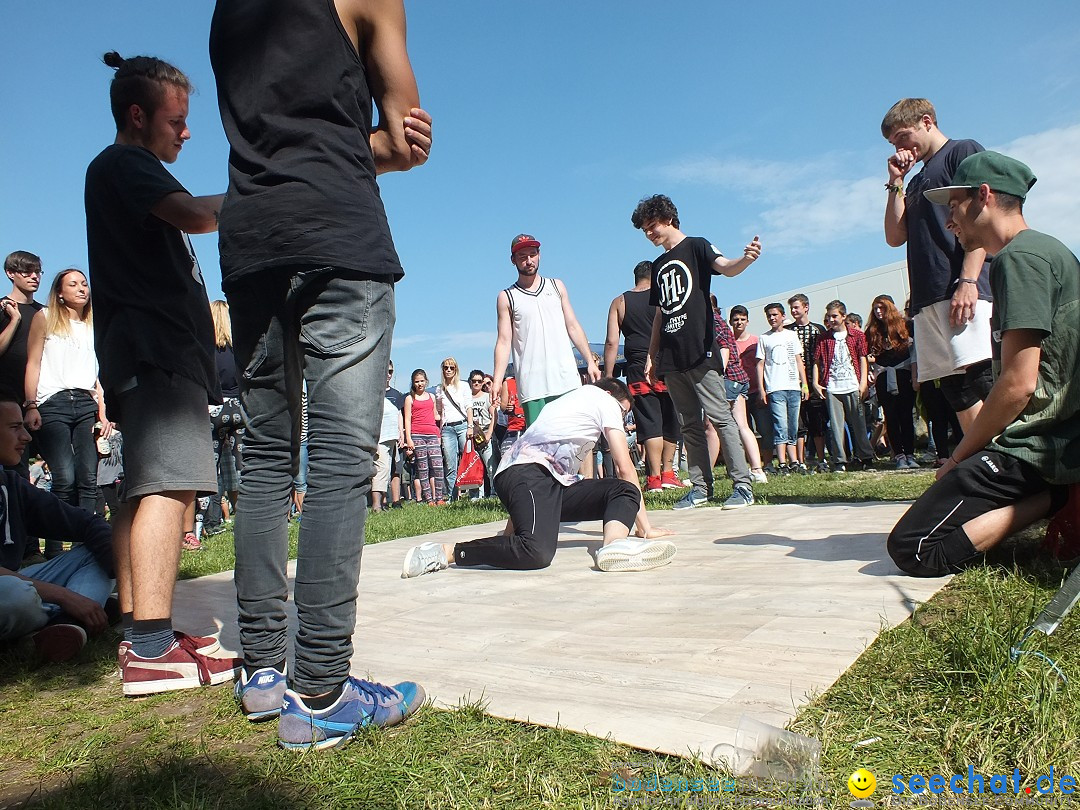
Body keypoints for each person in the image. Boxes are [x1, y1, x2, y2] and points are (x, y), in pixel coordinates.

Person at [211, 0, 432, 744]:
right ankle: (320, 693)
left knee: (268, 457)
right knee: (340, 457)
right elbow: (403, 141)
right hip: (336, 227)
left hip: (249, 239)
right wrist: (379, 142)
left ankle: (264, 672)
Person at [85, 52, 239, 696]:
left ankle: (141, 631)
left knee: (147, 487)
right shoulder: (126, 165)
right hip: (155, 354)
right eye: (176, 120)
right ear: (138, 115)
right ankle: (149, 649)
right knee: (168, 489)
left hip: (149, 356)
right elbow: (199, 215)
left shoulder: (128, 171)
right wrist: (267, 191)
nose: (187, 132)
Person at [889, 151, 1079, 576]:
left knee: (913, 548)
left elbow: (1018, 384)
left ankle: (1060, 497)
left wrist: (959, 457)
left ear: (985, 196)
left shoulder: (1019, 259)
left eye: (954, 207)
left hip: (1038, 447)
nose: (949, 220)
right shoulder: (1045, 249)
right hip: (1054, 439)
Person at [401, 379, 676, 577]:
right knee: (536, 552)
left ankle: (614, 546)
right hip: (527, 474)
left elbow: (535, 486)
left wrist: (511, 533)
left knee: (621, 490)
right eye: (623, 410)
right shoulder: (603, 400)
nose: (622, 416)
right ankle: (446, 552)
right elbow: (624, 466)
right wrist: (647, 528)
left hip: (540, 481)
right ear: (609, 394)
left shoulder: (566, 405)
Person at [631, 194, 759, 510]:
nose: (649, 234)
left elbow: (726, 267)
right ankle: (701, 488)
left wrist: (746, 259)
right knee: (689, 423)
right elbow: (661, 312)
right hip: (671, 357)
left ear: (669, 219)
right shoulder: (659, 265)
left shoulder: (697, 245)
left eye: (652, 226)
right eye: (644, 230)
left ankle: (742, 485)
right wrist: (652, 354)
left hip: (701, 350)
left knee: (720, 417)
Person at [882, 98, 992, 431]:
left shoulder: (963, 151)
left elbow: (984, 219)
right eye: (893, 143)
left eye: (902, 136)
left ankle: (1016, 463)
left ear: (927, 122)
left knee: (982, 376)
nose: (900, 147)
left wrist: (968, 281)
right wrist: (896, 181)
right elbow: (894, 235)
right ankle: (982, 461)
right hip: (928, 295)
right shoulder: (915, 181)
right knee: (954, 386)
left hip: (962, 286)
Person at [0, 398, 115, 662]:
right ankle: (85, 609)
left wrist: (124, 573)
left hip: (18, 582)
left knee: (100, 552)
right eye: (15, 427)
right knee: (16, 596)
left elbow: (87, 524)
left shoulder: (11, 484)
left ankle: (64, 626)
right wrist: (66, 596)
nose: (26, 436)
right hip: (11, 592)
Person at [23, 270, 109, 532]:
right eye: (73, 284)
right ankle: (55, 544)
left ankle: (86, 540)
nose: (82, 289)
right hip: (53, 401)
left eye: (84, 284)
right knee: (63, 477)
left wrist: (103, 413)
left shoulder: (95, 323)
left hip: (86, 402)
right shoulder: (46, 317)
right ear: (60, 293)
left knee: (88, 476)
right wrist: (30, 405)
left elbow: (98, 373)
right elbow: (33, 363)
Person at [491, 234, 600, 426]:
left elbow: (573, 325)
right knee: (542, 446)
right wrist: (497, 380)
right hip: (533, 384)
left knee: (576, 441)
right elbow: (504, 341)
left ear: (539, 255)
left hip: (566, 378)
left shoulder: (556, 286)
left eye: (532, 254)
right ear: (513, 260)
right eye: (522, 256)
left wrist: (590, 361)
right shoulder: (507, 297)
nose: (528, 260)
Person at [603, 260, 682, 493]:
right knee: (670, 421)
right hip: (667, 363)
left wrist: (609, 376)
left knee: (649, 421)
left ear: (635, 277)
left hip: (637, 366)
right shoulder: (664, 297)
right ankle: (668, 474)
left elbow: (611, 342)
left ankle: (654, 478)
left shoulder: (619, 302)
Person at [812, 301, 875, 471]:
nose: (832, 320)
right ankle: (840, 460)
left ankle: (866, 458)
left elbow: (863, 358)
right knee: (836, 426)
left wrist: (863, 382)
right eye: (829, 317)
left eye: (835, 316)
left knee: (859, 423)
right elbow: (817, 361)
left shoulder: (857, 335)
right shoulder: (824, 338)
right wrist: (815, 383)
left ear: (843, 316)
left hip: (852, 384)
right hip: (833, 386)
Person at [865, 295, 918, 469]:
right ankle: (899, 456)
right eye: (875, 309)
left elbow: (914, 354)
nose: (878, 312)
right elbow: (866, 356)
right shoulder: (872, 331)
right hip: (883, 377)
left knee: (906, 416)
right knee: (891, 417)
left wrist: (916, 376)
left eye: (882, 308)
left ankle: (910, 453)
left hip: (904, 374)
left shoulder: (906, 326)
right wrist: (870, 374)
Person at [757, 303, 809, 475]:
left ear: (782, 315)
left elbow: (798, 360)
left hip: (793, 386)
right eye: (769, 316)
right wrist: (762, 388)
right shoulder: (764, 338)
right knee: (781, 425)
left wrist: (804, 384)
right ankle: (781, 462)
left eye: (774, 315)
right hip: (775, 387)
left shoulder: (791, 335)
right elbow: (760, 364)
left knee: (793, 425)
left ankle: (794, 460)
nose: (772, 318)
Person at [785, 294, 827, 471]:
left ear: (806, 307)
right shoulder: (787, 331)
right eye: (792, 308)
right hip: (794, 384)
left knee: (818, 423)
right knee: (799, 425)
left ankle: (821, 459)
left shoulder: (818, 329)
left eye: (796, 307)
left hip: (814, 382)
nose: (794, 311)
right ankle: (800, 462)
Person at [436, 357, 473, 500]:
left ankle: (474, 495)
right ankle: (453, 497)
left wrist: (470, 426)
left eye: (452, 367)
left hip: (463, 425)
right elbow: (439, 411)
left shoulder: (463, 386)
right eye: (446, 367)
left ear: (456, 369)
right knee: (451, 465)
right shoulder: (440, 389)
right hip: (447, 429)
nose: (449, 370)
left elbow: (469, 407)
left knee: (469, 461)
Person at [467, 369, 497, 498]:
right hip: (471, 435)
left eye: (479, 381)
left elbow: (494, 415)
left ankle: (494, 492)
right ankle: (476, 495)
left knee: (490, 466)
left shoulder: (486, 397)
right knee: (474, 466)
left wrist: (489, 433)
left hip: (484, 432)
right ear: (470, 381)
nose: (477, 384)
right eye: (474, 381)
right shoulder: (466, 397)